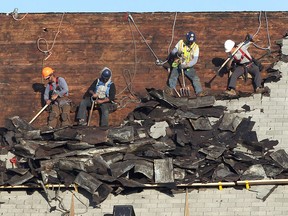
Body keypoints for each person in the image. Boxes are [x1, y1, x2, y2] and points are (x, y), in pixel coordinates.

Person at [164, 31, 205, 97]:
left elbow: (195, 60)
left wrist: (187, 65)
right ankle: (170, 91)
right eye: (189, 41)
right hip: (178, 64)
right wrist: (176, 53)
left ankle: (199, 92)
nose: (190, 43)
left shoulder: (196, 47)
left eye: (192, 41)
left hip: (188, 66)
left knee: (195, 78)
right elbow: (173, 51)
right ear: (186, 39)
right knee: (173, 76)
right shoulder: (181, 42)